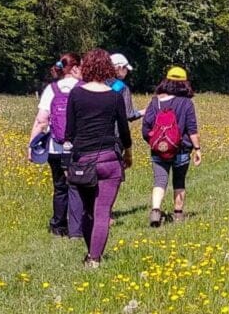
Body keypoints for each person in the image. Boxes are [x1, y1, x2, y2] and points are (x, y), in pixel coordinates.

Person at [63, 49, 131, 268]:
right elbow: (124, 129)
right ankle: (94, 258)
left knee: (86, 210)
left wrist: (67, 160)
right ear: (108, 69)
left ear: (87, 67)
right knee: (102, 212)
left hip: (84, 160)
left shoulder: (76, 94)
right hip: (110, 160)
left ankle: (91, 253)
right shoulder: (114, 96)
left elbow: (69, 131)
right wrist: (128, 152)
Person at [142, 67, 201, 225]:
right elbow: (192, 128)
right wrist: (197, 149)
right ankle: (178, 214)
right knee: (179, 181)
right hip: (181, 149)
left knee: (160, 180)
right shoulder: (187, 103)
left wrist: (155, 143)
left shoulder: (155, 102)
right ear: (185, 83)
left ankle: (155, 210)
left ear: (166, 81)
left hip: (158, 150)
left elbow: (146, 127)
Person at [30, 53, 81, 237]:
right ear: (75, 67)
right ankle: (78, 225)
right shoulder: (82, 87)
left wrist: (31, 146)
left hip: (55, 147)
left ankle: (58, 225)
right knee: (79, 186)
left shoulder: (51, 89)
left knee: (60, 187)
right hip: (78, 147)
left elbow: (41, 120)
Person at [109, 52, 141, 121]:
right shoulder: (122, 88)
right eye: (126, 68)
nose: (127, 72)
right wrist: (143, 112)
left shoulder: (99, 83)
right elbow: (129, 115)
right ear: (119, 68)